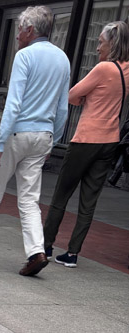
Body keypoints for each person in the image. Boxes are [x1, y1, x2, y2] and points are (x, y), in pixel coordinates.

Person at [0, 5, 69, 276]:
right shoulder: (63, 59)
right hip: (43, 135)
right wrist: (53, 140)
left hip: (17, 134)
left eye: (20, 29)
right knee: (30, 199)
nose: (17, 35)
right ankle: (36, 251)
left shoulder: (24, 56)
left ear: (30, 30)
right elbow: (63, 108)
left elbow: (13, 104)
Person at [43, 20, 129, 267]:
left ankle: (46, 246)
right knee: (88, 202)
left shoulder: (103, 68)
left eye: (101, 43)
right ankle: (72, 253)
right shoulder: (127, 70)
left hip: (86, 139)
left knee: (62, 194)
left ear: (113, 44)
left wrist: (84, 99)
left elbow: (71, 95)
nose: (97, 47)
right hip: (110, 140)